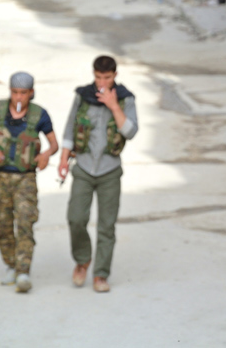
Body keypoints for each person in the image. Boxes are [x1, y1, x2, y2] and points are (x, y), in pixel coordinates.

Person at [0, 72, 59, 293]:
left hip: (25, 178)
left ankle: (23, 271)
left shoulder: (39, 115)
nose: (19, 98)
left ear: (31, 93)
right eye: (15, 92)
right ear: (10, 92)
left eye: (23, 93)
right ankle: (11, 264)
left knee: (26, 222)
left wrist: (46, 155)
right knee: (3, 223)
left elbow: (53, 143)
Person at [58, 55, 138, 293]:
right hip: (83, 167)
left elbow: (131, 131)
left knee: (106, 225)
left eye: (107, 77)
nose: (102, 82)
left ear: (115, 75)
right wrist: (63, 158)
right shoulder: (83, 96)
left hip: (109, 170)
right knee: (76, 218)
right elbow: (70, 126)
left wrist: (113, 105)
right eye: (98, 77)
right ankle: (82, 261)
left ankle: (101, 274)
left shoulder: (125, 99)